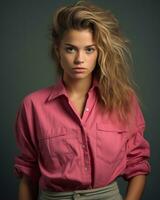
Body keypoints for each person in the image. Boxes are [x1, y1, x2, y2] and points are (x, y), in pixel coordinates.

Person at [14, 1, 151, 200]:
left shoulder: (123, 100)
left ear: (99, 53)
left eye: (89, 50)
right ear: (58, 51)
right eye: (70, 49)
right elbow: (28, 174)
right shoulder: (33, 106)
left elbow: (138, 164)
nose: (80, 59)